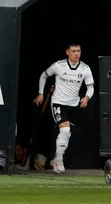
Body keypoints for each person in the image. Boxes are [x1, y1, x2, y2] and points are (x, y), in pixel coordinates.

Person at [33, 43, 95, 174]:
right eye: (73, 51)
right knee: (65, 129)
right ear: (67, 52)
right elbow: (44, 75)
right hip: (58, 103)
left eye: (78, 51)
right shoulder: (58, 66)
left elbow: (91, 87)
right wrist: (40, 93)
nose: (76, 54)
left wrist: (87, 98)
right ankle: (59, 160)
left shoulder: (85, 68)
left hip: (74, 104)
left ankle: (56, 157)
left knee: (67, 134)